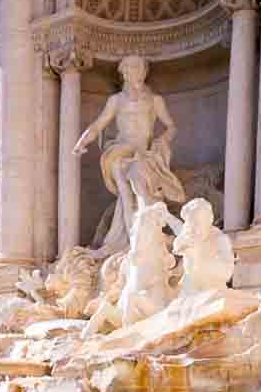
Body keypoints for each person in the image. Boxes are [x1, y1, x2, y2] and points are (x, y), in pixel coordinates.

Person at [74, 53, 186, 256]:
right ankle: (136, 243)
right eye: (133, 67)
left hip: (144, 153)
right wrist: (82, 142)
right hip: (121, 151)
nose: (138, 72)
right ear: (124, 72)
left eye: (141, 67)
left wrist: (163, 140)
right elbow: (98, 125)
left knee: (140, 192)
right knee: (127, 196)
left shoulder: (155, 100)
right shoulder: (116, 100)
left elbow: (171, 127)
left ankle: (140, 236)